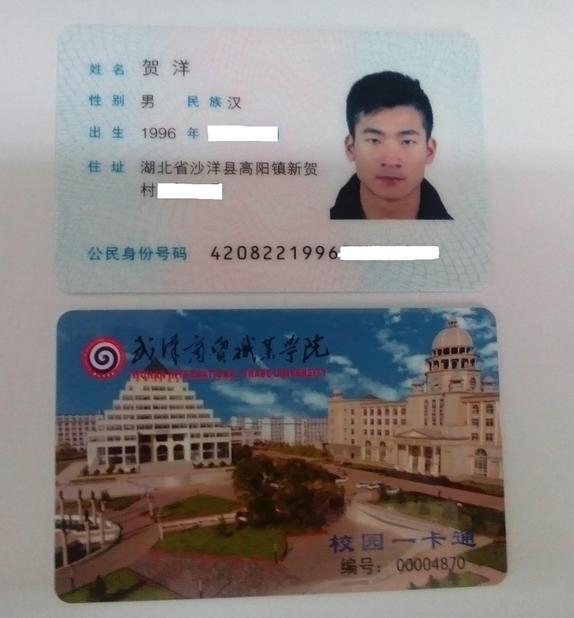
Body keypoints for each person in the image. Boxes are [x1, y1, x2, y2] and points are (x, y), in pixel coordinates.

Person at [330, 71, 452, 220]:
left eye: (407, 141)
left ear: (429, 151)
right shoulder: (319, 227)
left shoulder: (457, 233)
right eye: (374, 140)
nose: (390, 161)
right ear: (351, 148)